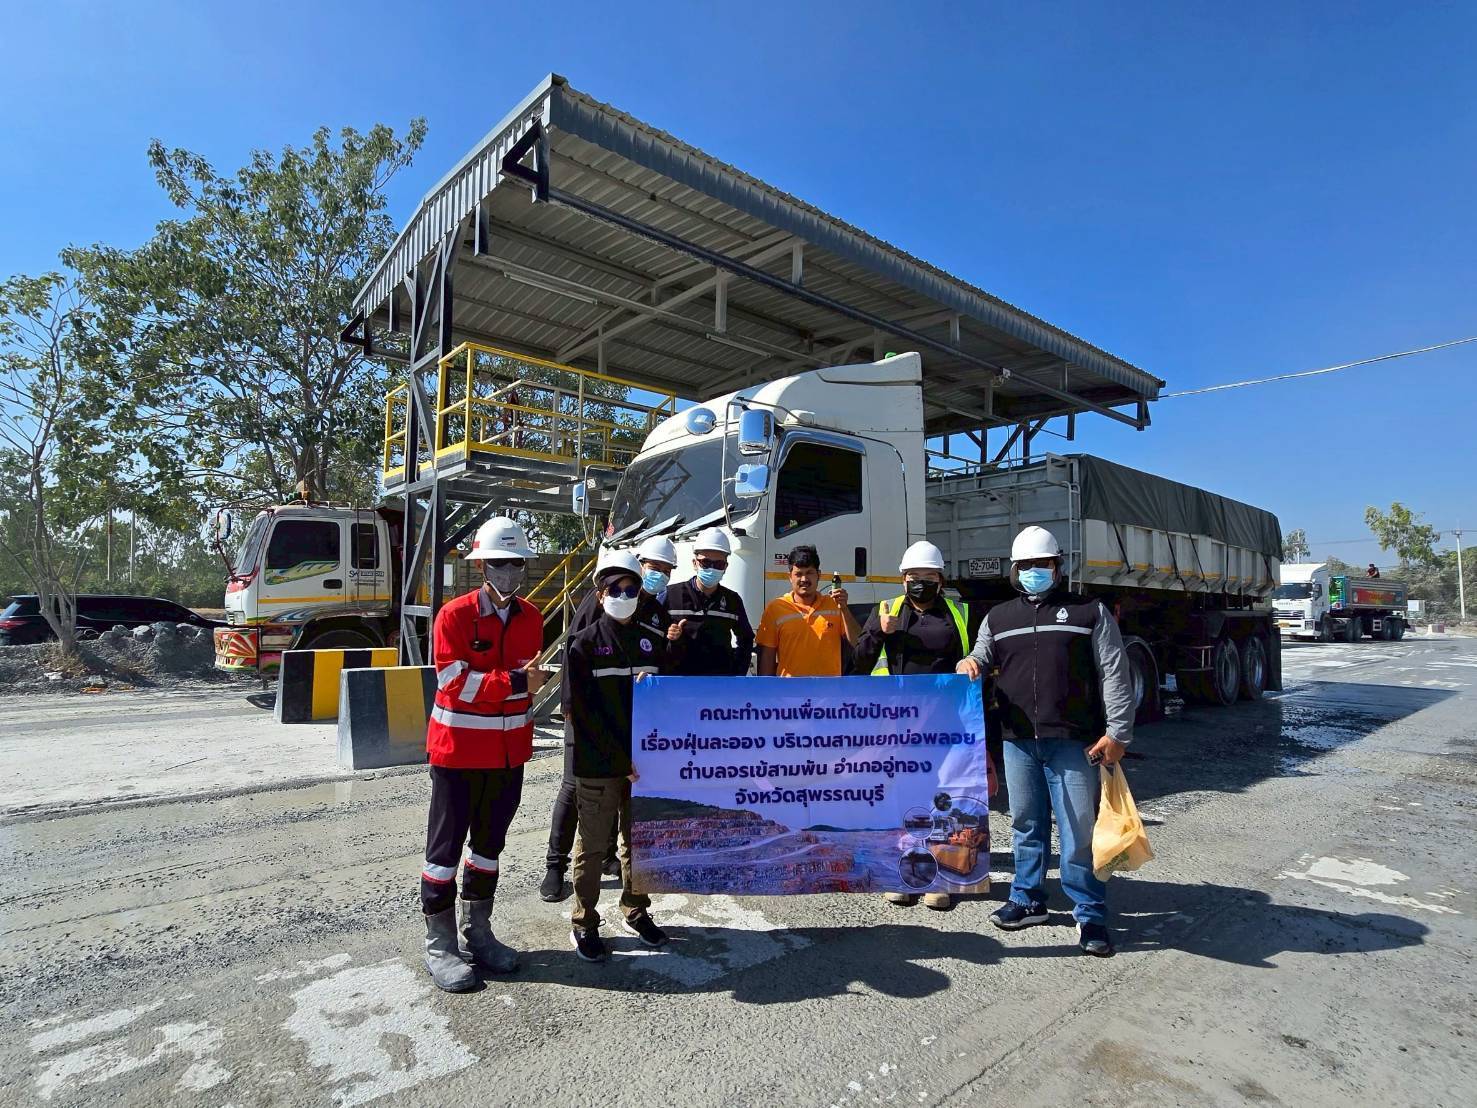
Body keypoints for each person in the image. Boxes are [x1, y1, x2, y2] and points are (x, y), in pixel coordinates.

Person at [956, 525, 1134, 957]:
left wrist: (1118, 732)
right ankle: (1027, 897)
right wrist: (969, 662)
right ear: (1015, 571)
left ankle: (1089, 912)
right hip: (1018, 740)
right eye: (1027, 566)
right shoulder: (999, 618)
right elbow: (981, 654)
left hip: (1075, 741)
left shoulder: (1089, 612)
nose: (1035, 571)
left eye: (1043, 564)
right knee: (1025, 823)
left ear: (1057, 567)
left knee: (1077, 831)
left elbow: (1114, 671)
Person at [419, 517, 548, 992]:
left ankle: (480, 933)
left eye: (516, 562)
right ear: (481, 566)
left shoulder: (533, 618)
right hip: (457, 756)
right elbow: (453, 682)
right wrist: (514, 684)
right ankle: (440, 945)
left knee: (489, 850)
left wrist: (512, 688)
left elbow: (519, 687)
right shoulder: (453, 616)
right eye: (499, 562)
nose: (509, 571)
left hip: (509, 756)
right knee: (444, 853)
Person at [539, 540, 677, 902]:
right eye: (653, 567)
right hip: (589, 718)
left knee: (629, 807)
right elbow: (574, 654)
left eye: (666, 570)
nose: (657, 575)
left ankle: (620, 876)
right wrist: (569, 707)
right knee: (575, 788)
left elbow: (661, 665)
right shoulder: (594, 607)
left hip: (633, 728)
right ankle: (556, 865)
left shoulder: (655, 614)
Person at [853, 540, 980, 911]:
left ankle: (939, 876)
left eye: (927, 576)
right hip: (898, 726)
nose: (918, 582)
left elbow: (978, 658)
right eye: (912, 576)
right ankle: (907, 872)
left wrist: (972, 662)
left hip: (946, 723)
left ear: (940, 580)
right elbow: (856, 665)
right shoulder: (886, 611)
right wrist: (879, 632)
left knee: (941, 797)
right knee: (903, 798)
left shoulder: (960, 614)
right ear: (902, 579)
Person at [563, 550, 672, 961]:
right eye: (615, 589)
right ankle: (584, 920)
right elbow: (584, 718)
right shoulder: (583, 645)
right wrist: (620, 759)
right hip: (600, 765)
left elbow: (668, 701)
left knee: (639, 842)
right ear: (600, 593)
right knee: (592, 847)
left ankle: (635, 907)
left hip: (643, 765)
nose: (624, 594)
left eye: (631, 588)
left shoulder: (650, 641)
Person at [755, 545, 861, 677]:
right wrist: (767, 694)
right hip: (790, 695)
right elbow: (767, 657)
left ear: (819, 575)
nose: (804, 579)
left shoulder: (834, 605)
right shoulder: (775, 609)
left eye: (809, 573)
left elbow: (858, 643)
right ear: (790, 577)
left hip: (828, 694)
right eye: (798, 574)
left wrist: (844, 609)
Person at [663, 527, 755, 676]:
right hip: (679, 683)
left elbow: (746, 639)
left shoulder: (732, 600)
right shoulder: (670, 595)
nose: (712, 568)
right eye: (705, 562)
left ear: (725, 567)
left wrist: (737, 673)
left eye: (718, 564)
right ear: (694, 563)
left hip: (718, 687)